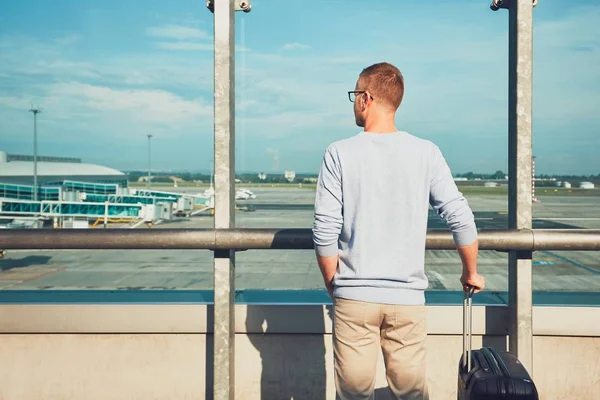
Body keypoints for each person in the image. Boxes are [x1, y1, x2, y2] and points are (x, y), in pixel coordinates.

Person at [312, 62, 485, 400]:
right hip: (407, 300)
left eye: (354, 96)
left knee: (354, 395)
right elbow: (461, 218)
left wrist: (334, 281)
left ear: (365, 98)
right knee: (410, 395)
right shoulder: (426, 152)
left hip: (354, 297)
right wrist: (471, 272)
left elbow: (324, 231)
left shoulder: (339, 153)